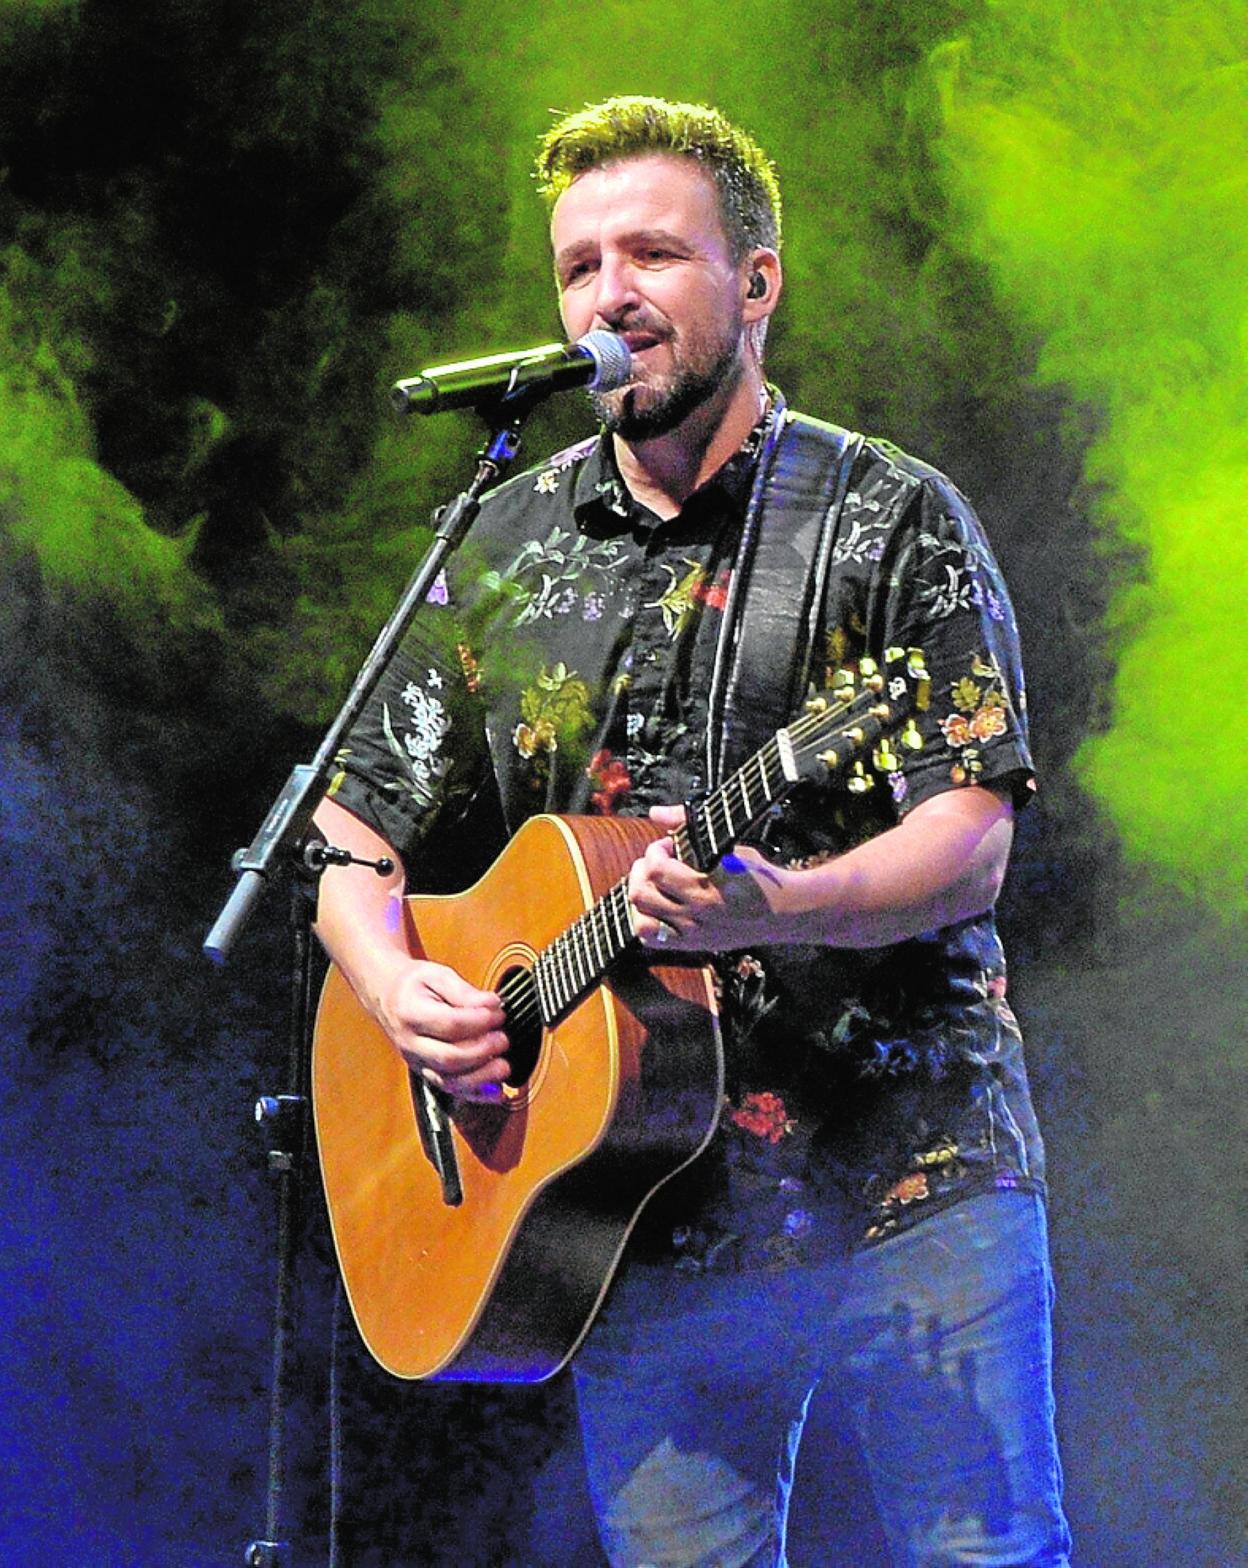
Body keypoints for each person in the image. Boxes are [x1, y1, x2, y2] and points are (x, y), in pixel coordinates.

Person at [313, 96, 1071, 1567]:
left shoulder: (889, 518)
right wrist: (395, 985)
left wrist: (779, 908)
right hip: (632, 1210)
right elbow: (348, 832)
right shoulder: (503, 541)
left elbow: (972, 838)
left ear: (757, 280)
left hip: (908, 1177)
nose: (610, 295)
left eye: (653, 253)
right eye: (579, 267)